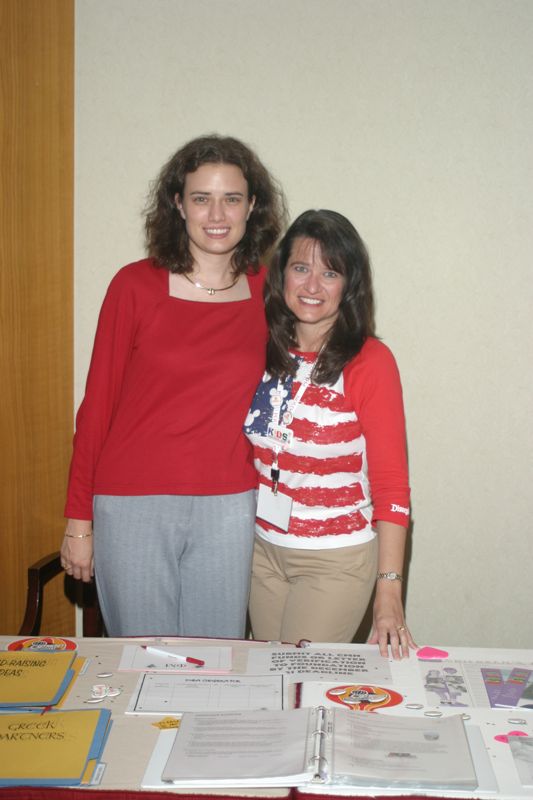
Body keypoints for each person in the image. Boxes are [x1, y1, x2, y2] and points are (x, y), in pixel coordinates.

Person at [61, 134, 285, 638]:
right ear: (178, 204)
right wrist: (79, 520)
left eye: (231, 197)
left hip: (229, 505)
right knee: (141, 669)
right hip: (131, 504)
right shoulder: (133, 286)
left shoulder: (269, 293)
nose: (216, 213)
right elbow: (95, 410)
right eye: (201, 197)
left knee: (216, 670)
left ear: (253, 206)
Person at [244, 209, 416, 658]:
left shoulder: (369, 361)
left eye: (330, 272)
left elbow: (392, 486)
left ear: (349, 284)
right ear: (281, 275)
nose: (312, 286)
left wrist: (389, 591)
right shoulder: (262, 351)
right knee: (269, 687)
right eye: (301, 268)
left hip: (334, 560)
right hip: (263, 553)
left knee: (297, 684)